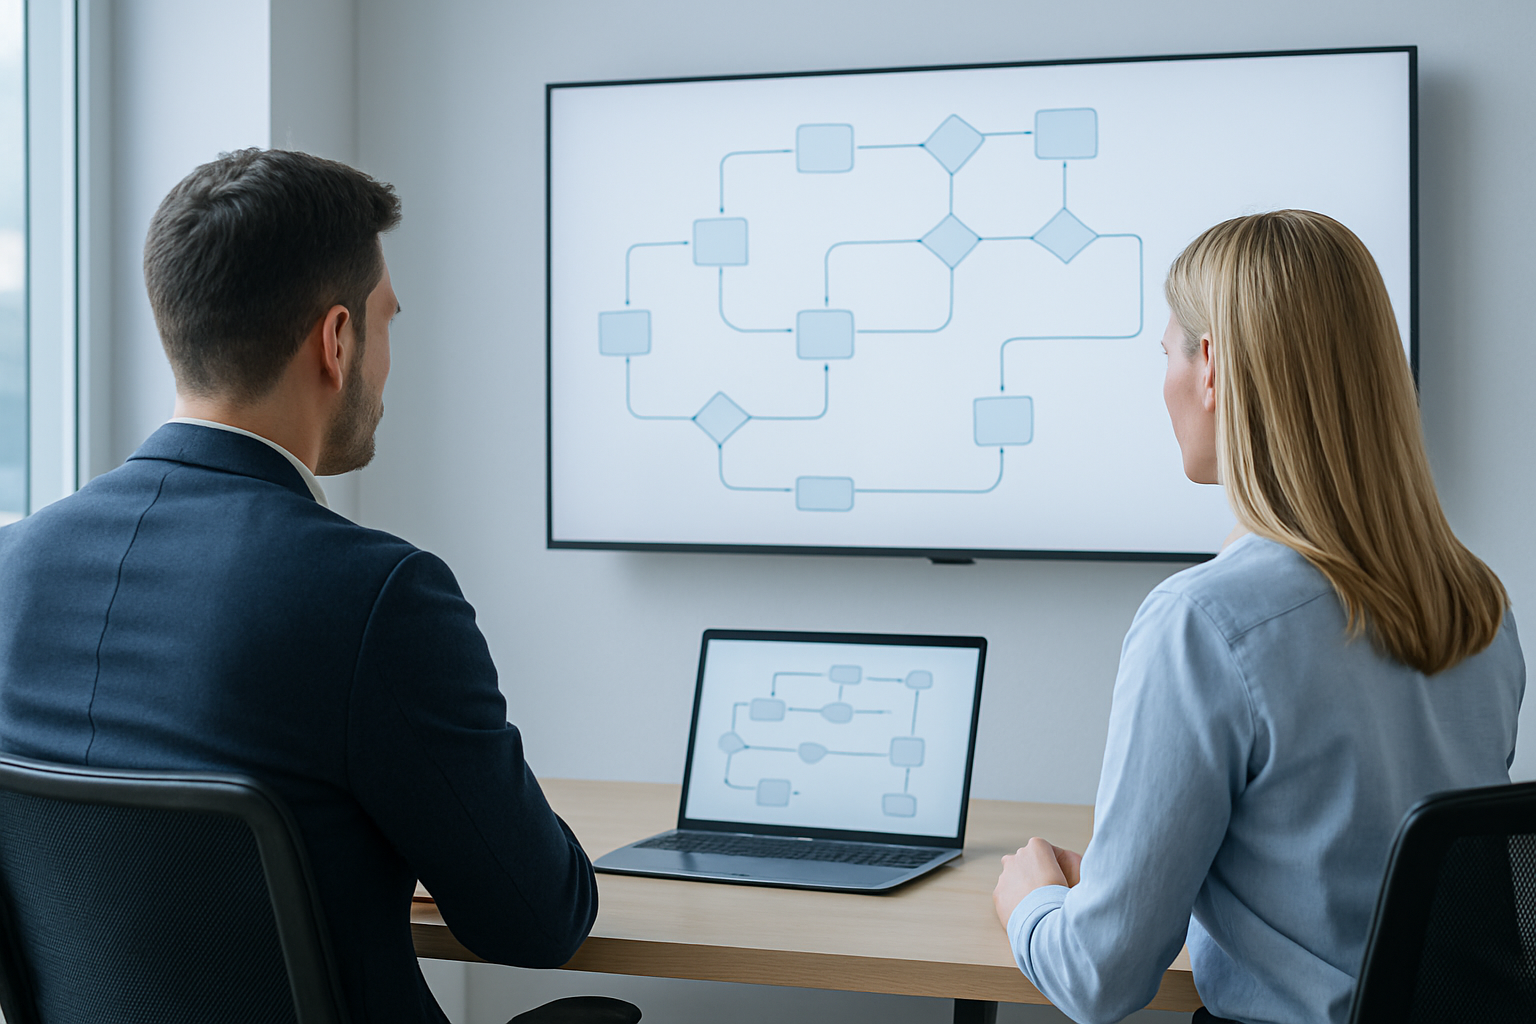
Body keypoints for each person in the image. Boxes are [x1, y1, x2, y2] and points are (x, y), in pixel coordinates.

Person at [0, 149, 598, 1023]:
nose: (389, 362)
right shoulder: (375, 594)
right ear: (338, 339)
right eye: (387, 322)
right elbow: (538, 923)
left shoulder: (14, 571)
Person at [991, 210, 1524, 1024]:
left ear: (1210, 368)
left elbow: (1101, 978)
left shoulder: (1204, 623)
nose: (1162, 380)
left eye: (1166, 351)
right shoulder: (1478, 605)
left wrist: (1028, 902)